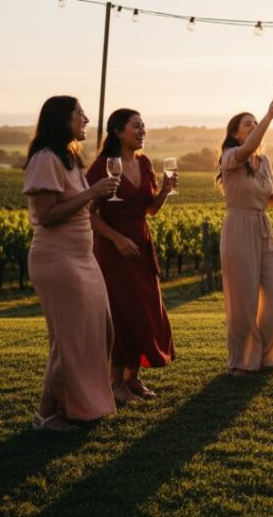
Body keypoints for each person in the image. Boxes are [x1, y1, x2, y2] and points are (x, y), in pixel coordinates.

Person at [24, 96, 119, 431]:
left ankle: (79, 403)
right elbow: (46, 216)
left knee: (101, 330)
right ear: (62, 119)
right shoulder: (45, 158)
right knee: (69, 340)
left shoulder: (71, 158)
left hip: (82, 256)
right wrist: (91, 194)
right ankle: (48, 414)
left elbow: (78, 206)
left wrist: (94, 197)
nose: (87, 119)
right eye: (80, 115)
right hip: (57, 258)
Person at [87, 109, 177, 403]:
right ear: (117, 131)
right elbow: (88, 215)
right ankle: (115, 385)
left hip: (140, 245)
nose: (142, 131)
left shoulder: (144, 162)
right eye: (136, 126)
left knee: (145, 312)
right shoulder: (102, 166)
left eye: (144, 127)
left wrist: (163, 191)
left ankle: (132, 378)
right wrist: (116, 238)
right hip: (114, 249)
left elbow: (149, 210)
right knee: (121, 313)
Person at [216, 100, 273, 376]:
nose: (254, 125)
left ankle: (269, 357)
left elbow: (265, 202)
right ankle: (243, 361)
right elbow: (248, 148)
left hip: (263, 227)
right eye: (248, 123)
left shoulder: (265, 161)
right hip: (238, 228)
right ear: (236, 134)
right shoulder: (231, 156)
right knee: (244, 301)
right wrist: (269, 117)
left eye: (254, 122)